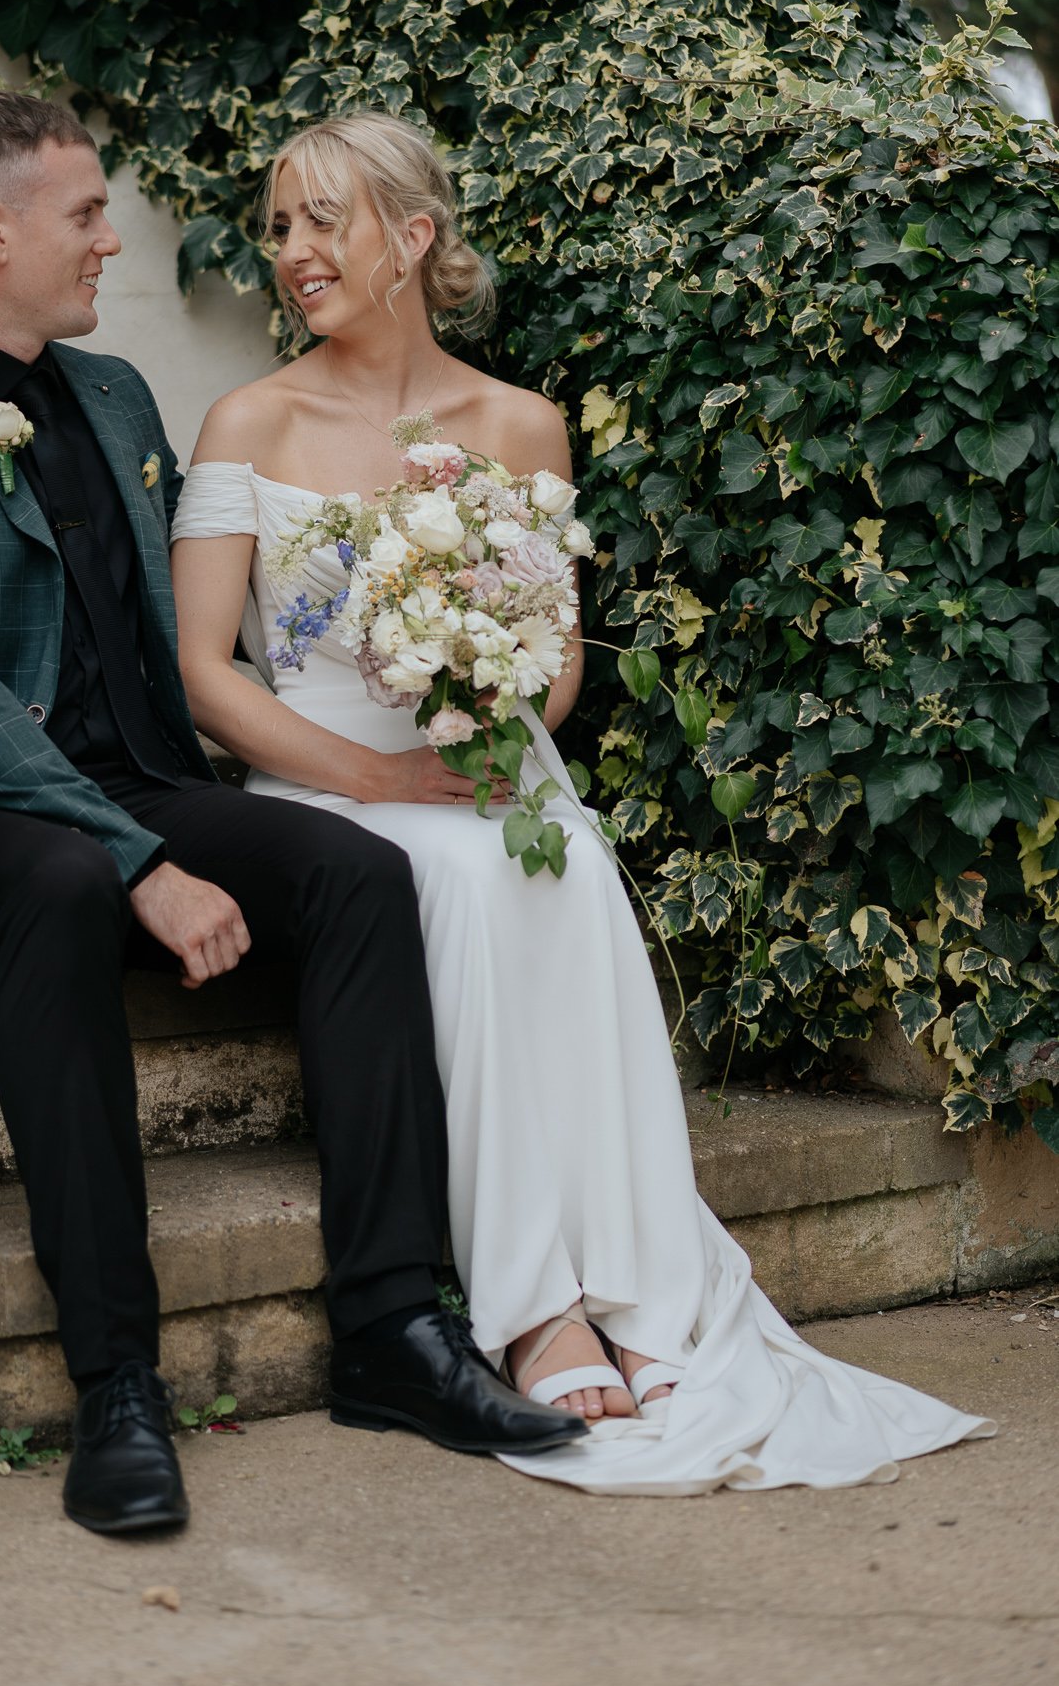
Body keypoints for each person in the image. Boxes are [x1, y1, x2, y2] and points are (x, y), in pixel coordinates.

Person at [0, 91, 586, 1538]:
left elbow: (196, 651)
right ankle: (118, 1388)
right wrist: (141, 861)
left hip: (142, 781)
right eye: (86, 216)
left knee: (351, 873)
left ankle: (393, 1329)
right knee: (57, 883)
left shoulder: (114, 401)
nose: (108, 242)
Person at [169, 110, 993, 1491]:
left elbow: (551, 667)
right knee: (470, 881)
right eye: (277, 225)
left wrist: (498, 726)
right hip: (322, 773)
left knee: (556, 863)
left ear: (411, 238)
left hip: (479, 760)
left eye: (323, 220)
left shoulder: (520, 423)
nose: (292, 251)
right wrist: (381, 770)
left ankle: (640, 1291)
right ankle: (531, 1307)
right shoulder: (248, 420)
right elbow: (204, 673)